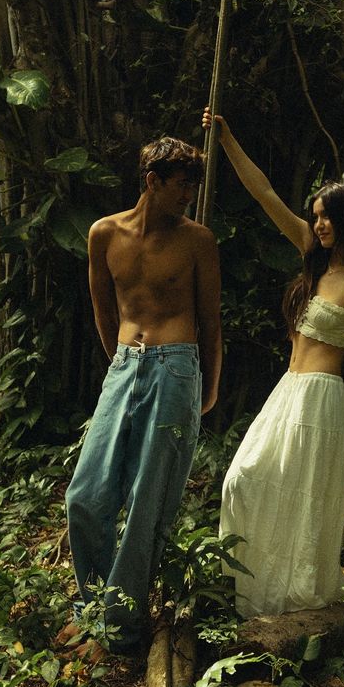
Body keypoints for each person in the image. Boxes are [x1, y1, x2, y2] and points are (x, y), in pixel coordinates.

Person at [202, 107, 344, 617]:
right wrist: (227, 139)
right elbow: (264, 195)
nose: (318, 223)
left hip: (325, 401)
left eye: (326, 215)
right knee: (243, 479)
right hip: (287, 391)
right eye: (315, 215)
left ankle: (297, 604)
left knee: (307, 501)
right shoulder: (312, 254)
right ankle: (254, 595)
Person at [62, 136, 222, 657]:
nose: (189, 197)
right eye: (181, 186)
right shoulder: (103, 234)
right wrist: (122, 363)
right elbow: (104, 310)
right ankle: (94, 612)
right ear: (152, 181)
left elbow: (212, 321)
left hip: (178, 368)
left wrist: (209, 383)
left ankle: (122, 627)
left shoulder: (197, 240)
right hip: (124, 366)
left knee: (148, 500)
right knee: (85, 496)